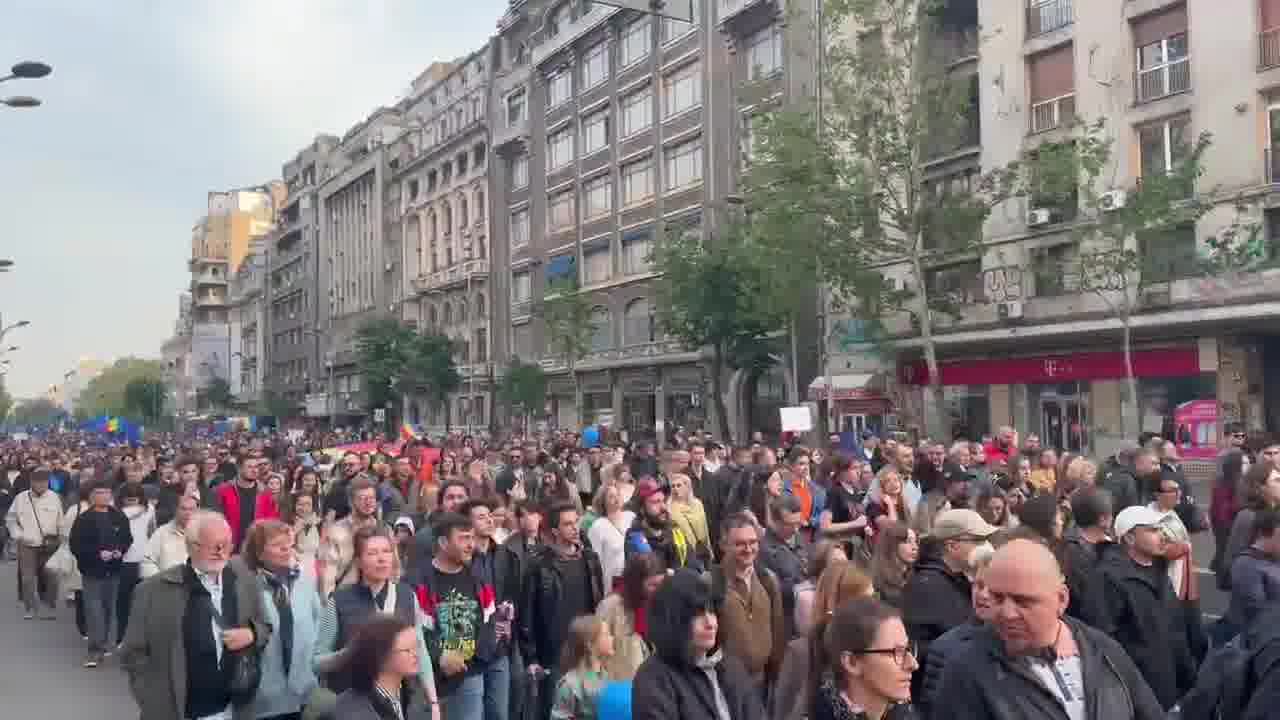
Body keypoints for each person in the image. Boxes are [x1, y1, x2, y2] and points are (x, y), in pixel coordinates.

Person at [932, 538, 1164, 720]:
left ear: (1061, 599)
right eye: (998, 598)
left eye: (1023, 601)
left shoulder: (1103, 651)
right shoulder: (966, 669)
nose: (1007, 613)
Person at [119, 511, 270, 720]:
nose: (220, 552)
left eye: (226, 545)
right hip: (179, 713)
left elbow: (266, 626)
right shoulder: (152, 591)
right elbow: (132, 655)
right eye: (212, 545)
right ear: (191, 546)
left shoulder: (245, 582)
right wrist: (155, 703)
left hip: (233, 711)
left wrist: (252, 634)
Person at [314, 526, 438, 712]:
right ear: (359, 561)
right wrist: (348, 653)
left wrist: (433, 702)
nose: (382, 559)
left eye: (387, 552)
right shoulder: (340, 600)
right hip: (353, 703)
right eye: (372, 553)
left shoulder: (406, 595)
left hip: (399, 701)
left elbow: (421, 651)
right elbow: (316, 662)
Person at [1097, 505, 1197, 710]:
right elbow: (1106, 640)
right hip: (1140, 695)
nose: (1161, 535)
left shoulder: (1160, 572)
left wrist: (1188, 674)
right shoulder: (1109, 578)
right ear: (1130, 538)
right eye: (1152, 530)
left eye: (1160, 529)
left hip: (1171, 688)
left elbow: (1176, 630)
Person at [633, 569, 766, 720]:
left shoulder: (731, 667)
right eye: (697, 615)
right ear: (673, 620)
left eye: (711, 611)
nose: (710, 623)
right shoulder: (655, 678)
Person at [521, 501, 607, 714]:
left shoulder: (589, 558)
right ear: (554, 531)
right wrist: (531, 657)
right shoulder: (539, 564)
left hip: (586, 647)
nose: (575, 527)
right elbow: (527, 613)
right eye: (568, 524)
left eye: (576, 522)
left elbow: (599, 600)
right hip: (554, 651)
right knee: (556, 708)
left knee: (591, 708)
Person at [901, 509, 997, 693]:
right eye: (978, 540)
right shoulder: (927, 586)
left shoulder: (959, 579)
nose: (986, 545)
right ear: (952, 546)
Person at [413, 511, 494, 720]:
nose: (470, 544)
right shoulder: (417, 580)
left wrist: (470, 658)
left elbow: (488, 621)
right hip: (429, 676)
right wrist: (441, 656)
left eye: (472, 538)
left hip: (470, 674)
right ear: (442, 542)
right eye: (463, 538)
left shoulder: (478, 577)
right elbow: (417, 629)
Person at [241, 519, 322, 720]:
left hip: (304, 693)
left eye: (289, 544)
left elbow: (318, 626)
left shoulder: (304, 581)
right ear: (258, 553)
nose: (287, 549)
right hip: (263, 699)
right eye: (278, 545)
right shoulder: (245, 587)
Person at [773, 560, 875, 720]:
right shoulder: (802, 652)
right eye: (865, 601)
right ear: (840, 603)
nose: (873, 609)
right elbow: (782, 713)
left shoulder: (875, 650)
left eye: (873, 598)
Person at [916, 544, 995, 718]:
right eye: (979, 585)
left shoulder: (1024, 645)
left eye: (992, 589)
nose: (983, 595)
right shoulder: (945, 648)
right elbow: (933, 710)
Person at [808, 596, 918, 720]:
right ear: (852, 663)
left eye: (908, 649)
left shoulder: (906, 714)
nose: (913, 664)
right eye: (897, 652)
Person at [712, 512, 787, 690]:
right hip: (727, 686)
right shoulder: (711, 584)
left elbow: (777, 632)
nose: (748, 549)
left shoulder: (768, 580)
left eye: (753, 542)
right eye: (740, 544)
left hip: (762, 684)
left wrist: (777, 678)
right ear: (723, 545)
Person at [69, 480, 133, 667]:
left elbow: (127, 538)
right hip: (92, 571)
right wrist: (97, 553)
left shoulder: (118, 516)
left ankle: (104, 644)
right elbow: (76, 545)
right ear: (91, 496)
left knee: (109, 609)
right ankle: (94, 649)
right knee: (94, 610)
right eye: (99, 492)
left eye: (106, 492)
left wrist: (120, 550)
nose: (103, 496)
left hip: (113, 570)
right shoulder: (84, 519)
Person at [329, 615, 439, 720]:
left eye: (416, 646)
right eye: (407, 650)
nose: (416, 654)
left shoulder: (413, 697)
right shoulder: (352, 712)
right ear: (382, 656)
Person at [5, 468, 64, 620]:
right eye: (37, 482)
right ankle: (30, 607)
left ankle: (49, 605)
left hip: (50, 544)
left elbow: (60, 521)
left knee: (52, 576)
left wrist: (61, 539)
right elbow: (11, 519)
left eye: (43, 482)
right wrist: (19, 535)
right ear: (31, 482)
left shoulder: (54, 498)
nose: (40, 485)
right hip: (27, 544)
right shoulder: (20, 498)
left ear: (47, 483)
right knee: (27, 578)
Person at [596, 552, 665, 681]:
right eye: (653, 585)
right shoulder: (611, 606)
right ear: (636, 583)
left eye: (660, 584)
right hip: (619, 685)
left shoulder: (657, 604)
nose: (658, 590)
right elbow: (596, 651)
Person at [761, 494, 810, 638]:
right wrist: (801, 586)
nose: (796, 529)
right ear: (775, 522)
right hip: (786, 623)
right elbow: (770, 589)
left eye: (798, 523)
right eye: (790, 524)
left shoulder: (798, 537)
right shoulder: (764, 550)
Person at [1225, 507, 1280, 634]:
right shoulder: (1246, 565)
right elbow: (1257, 612)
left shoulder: (1274, 558)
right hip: (1259, 642)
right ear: (1264, 535)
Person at [625, 478, 699, 572]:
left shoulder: (674, 529)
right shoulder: (635, 537)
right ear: (642, 509)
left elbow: (694, 565)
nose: (663, 507)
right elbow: (651, 575)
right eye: (656, 502)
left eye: (663, 501)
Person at [1225, 462, 1280, 586]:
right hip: (1258, 590)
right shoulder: (1248, 516)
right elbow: (1235, 560)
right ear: (1260, 486)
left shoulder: (1276, 513)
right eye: (1277, 480)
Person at [551, 616, 615, 720]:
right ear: (590, 644)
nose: (612, 638)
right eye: (606, 634)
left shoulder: (606, 677)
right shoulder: (569, 686)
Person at [117, 481, 155, 646]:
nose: (132, 503)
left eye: (133, 499)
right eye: (130, 499)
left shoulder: (116, 512)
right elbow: (152, 532)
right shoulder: (150, 510)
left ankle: (122, 637)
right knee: (142, 604)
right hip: (143, 560)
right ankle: (140, 639)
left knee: (123, 602)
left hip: (125, 560)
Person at [792, 541, 848, 637]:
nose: (843, 567)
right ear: (821, 565)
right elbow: (811, 637)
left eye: (845, 562)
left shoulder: (848, 590)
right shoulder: (807, 597)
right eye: (837, 562)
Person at [587, 484, 635, 591]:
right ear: (603, 502)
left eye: (618, 494)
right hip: (613, 583)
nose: (616, 498)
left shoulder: (631, 517)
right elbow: (595, 563)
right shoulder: (598, 526)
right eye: (611, 496)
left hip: (635, 577)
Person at [215, 455, 261, 552]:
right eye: (250, 467)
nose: (255, 470)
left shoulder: (264, 491)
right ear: (239, 469)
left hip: (256, 547)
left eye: (256, 467)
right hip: (230, 547)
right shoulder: (223, 490)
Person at [669, 472, 715, 568]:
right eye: (673, 486)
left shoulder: (697, 504)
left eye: (679, 485)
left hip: (701, 551)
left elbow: (705, 528)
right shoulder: (669, 508)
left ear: (687, 487)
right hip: (684, 555)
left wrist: (710, 550)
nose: (675, 489)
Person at [871, 523, 918, 610]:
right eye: (908, 541)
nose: (915, 547)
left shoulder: (918, 575)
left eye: (915, 541)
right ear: (892, 545)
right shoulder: (878, 588)